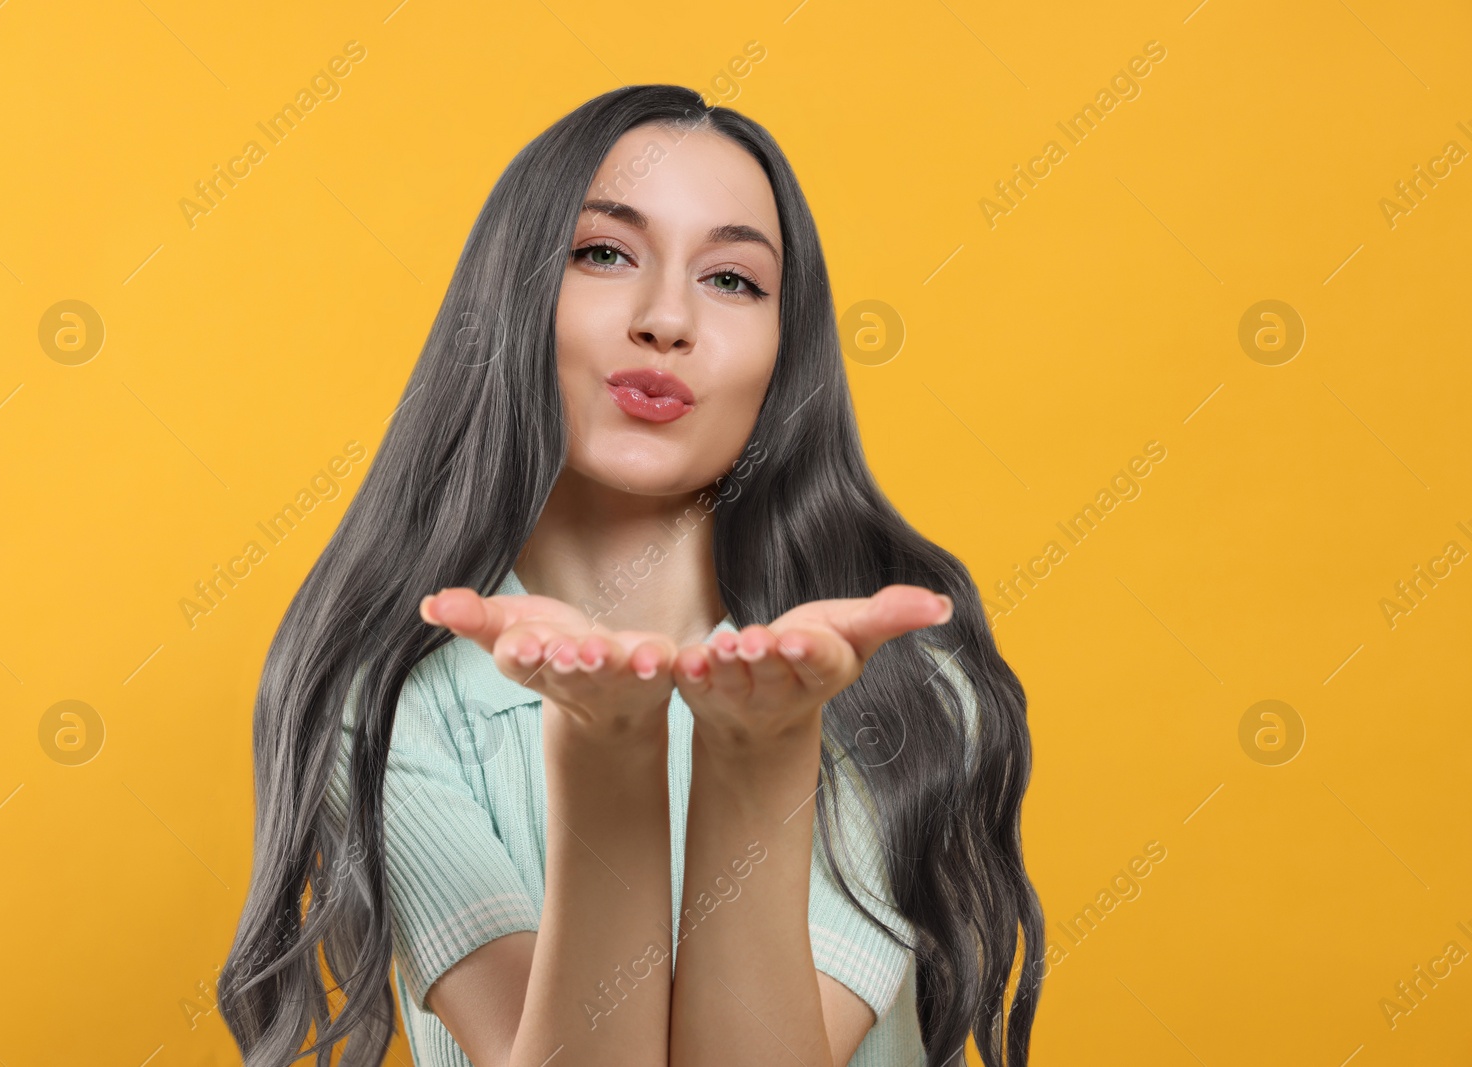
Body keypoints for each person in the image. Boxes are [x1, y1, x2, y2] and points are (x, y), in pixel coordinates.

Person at [218, 84, 1043, 1067]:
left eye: (732, 279)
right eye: (604, 253)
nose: (666, 320)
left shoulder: (895, 674)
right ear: (512, 298)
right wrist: (607, 755)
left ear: (787, 356)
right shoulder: (387, 694)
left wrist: (762, 751)